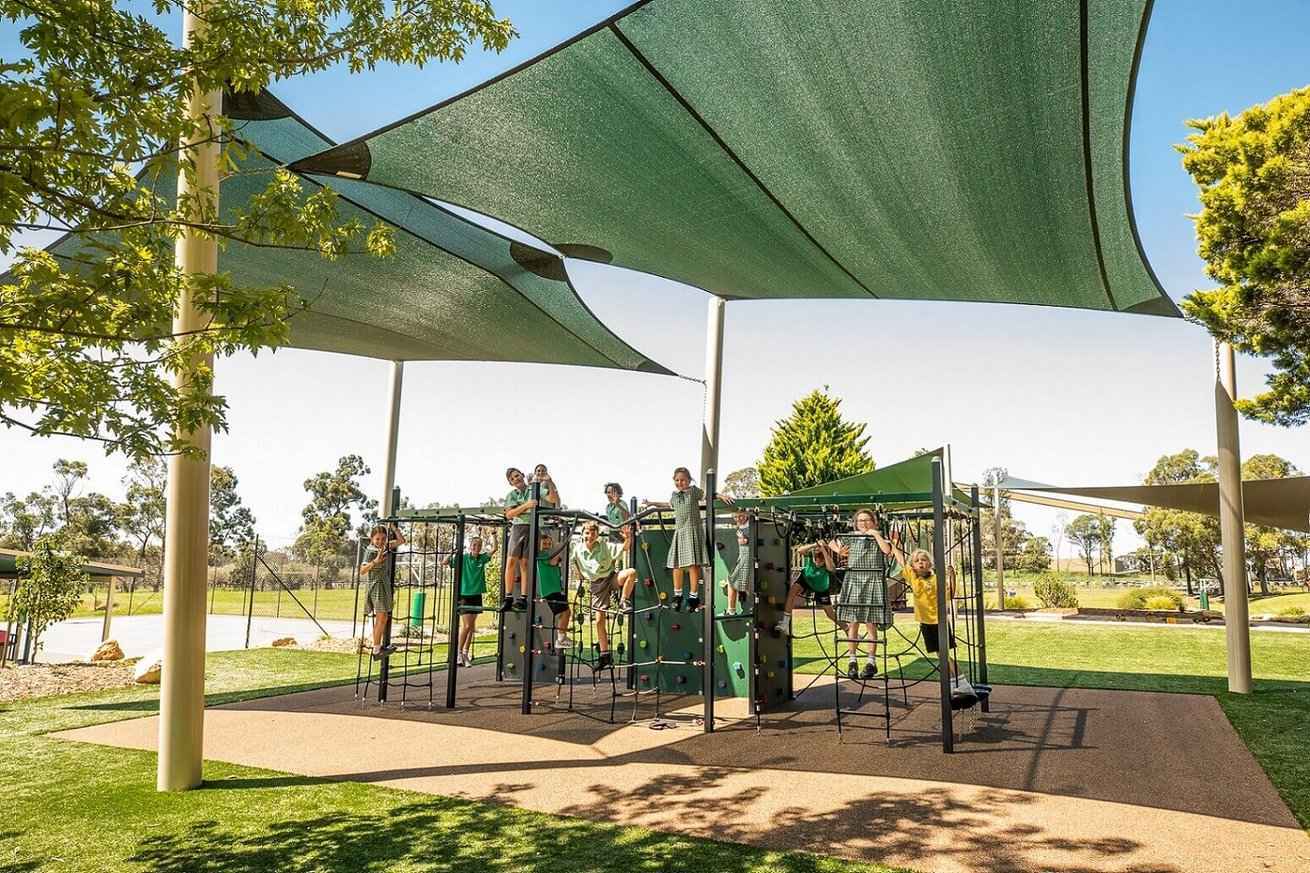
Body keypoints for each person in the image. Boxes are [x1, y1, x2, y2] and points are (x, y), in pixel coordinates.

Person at [888, 539, 975, 701]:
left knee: (944, 655)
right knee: (941, 655)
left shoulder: (936, 579)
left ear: (930, 564)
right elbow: (900, 559)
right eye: (917, 561)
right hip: (926, 623)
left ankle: (962, 684)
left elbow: (950, 595)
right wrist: (893, 546)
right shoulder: (912, 577)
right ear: (913, 566)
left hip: (939, 621)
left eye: (924, 560)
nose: (920, 563)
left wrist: (953, 577)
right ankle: (957, 684)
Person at [642, 467, 734, 612]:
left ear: (689, 480)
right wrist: (652, 503)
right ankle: (677, 595)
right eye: (677, 480)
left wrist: (721, 496)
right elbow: (668, 505)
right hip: (680, 532)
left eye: (683, 480)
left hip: (692, 531)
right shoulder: (674, 496)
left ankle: (693, 597)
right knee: (676, 565)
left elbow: (709, 494)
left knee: (693, 565)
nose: (680, 482)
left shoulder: (693, 491)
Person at [833, 508, 893, 681]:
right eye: (860, 521)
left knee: (870, 623)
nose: (864, 523)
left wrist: (875, 534)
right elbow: (830, 541)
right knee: (853, 623)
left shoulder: (878, 537)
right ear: (855, 523)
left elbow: (887, 550)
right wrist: (838, 550)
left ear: (874, 522)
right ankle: (852, 661)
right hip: (854, 580)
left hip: (873, 579)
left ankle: (871, 662)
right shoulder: (852, 537)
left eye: (867, 520)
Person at [570, 520, 638, 668]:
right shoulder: (577, 549)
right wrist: (579, 574)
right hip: (596, 585)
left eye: (593, 533)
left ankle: (623, 600)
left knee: (631, 572)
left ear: (597, 535)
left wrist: (627, 538)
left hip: (611, 577)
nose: (590, 536)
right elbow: (573, 562)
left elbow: (624, 548)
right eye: (587, 533)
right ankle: (605, 654)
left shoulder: (604, 546)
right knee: (599, 620)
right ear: (582, 534)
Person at [449, 532, 496, 667]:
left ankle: (465, 653)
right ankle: (458, 653)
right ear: (470, 546)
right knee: (467, 626)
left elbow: (494, 549)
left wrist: (493, 534)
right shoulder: (463, 558)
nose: (477, 547)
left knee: (472, 627)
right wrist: (452, 552)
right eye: (474, 545)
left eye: (479, 545)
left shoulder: (482, 559)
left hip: (476, 595)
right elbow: (445, 562)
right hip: (464, 595)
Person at [360, 524, 406, 660]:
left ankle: (378, 648)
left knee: (384, 617)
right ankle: (376, 650)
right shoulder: (371, 551)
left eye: (383, 539)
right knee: (381, 618)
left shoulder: (384, 546)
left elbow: (401, 541)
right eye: (377, 539)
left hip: (383, 584)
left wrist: (394, 529)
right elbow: (362, 570)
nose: (380, 541)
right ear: (372, 539)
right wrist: (375, 561)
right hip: (377, 586)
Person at [775, 539, 838, 634]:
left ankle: (846, 628)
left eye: (819, 548)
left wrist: (824, 550)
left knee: (830, 614)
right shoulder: (810, 555)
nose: (817, 549)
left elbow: (831, 568)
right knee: (792, 592)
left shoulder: (827, 560)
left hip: (820, 587)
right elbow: (800, 550)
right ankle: (785, 622)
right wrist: (814, 544)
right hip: (806, 579)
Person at [502, 467, 537, 611]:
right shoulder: (511, 495)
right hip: (518, 527)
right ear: (511, 483)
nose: (516, 478)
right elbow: (509, 514)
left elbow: (551, 499)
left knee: (524, 563)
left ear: (522, 475)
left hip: (532, 526)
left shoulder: (533, 489)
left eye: (517, 475)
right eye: (512, 478)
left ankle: (523, 598)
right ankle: (508, 597)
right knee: (511, 561)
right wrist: (526, 506)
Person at [534, 529, 572, 650]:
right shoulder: (542, 554)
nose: (547, 546)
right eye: (544, 544)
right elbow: (554, 561)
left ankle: (562, 636)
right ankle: (560, 638)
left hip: (554, 589)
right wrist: (559, 547)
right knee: (566, 612)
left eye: (549, 544)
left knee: (564, 613)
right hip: (550, 590)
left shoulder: (547, 554)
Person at [724, 509, 752, 614]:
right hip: (743, 556)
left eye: (740, 516)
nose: (738, 519)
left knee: (731, 581)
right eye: (735, 516)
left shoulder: (750, 525)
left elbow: (745, 541)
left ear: (746, 514)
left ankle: (731, 610)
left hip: (746, 556)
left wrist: (743, 539)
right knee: (746, 584)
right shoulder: (740, 526)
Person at [603, 482, 631, 547]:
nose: (609, 495)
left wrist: (617, 504)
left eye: (612, 492)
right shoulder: (608, 506)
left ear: (618, 493)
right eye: (608, 492)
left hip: (621, 534)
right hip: (612, 534)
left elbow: (627, 517)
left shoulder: (622, 503)